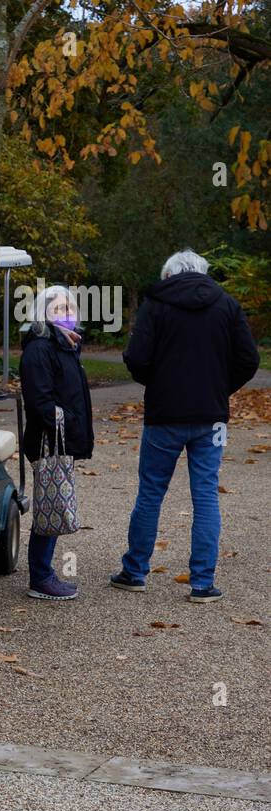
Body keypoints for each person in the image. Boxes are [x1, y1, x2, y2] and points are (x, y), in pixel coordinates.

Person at [111, 249, 260, 602]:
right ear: (203, 272)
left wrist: (158, 382)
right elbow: (249, 359)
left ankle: (135, 572)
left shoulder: (156, 304)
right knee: (206, 495)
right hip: (212, 417)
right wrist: (221, 388)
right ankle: (202, 582)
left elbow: (136, 357)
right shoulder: (226, 304)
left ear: (169, 275)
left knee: (150, 492)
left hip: (164, 414)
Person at [19, 285, 94, 600]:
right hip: (48, 443)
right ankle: (41, 577)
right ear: (43, 313)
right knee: (50, 506)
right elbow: (40, 402)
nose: (67, 314)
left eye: (71, 308)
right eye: (59, 309)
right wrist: (71, 424)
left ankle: (43, 571)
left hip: (60, 441)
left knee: (54, 504)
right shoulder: (40, 349)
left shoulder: (66, 345)